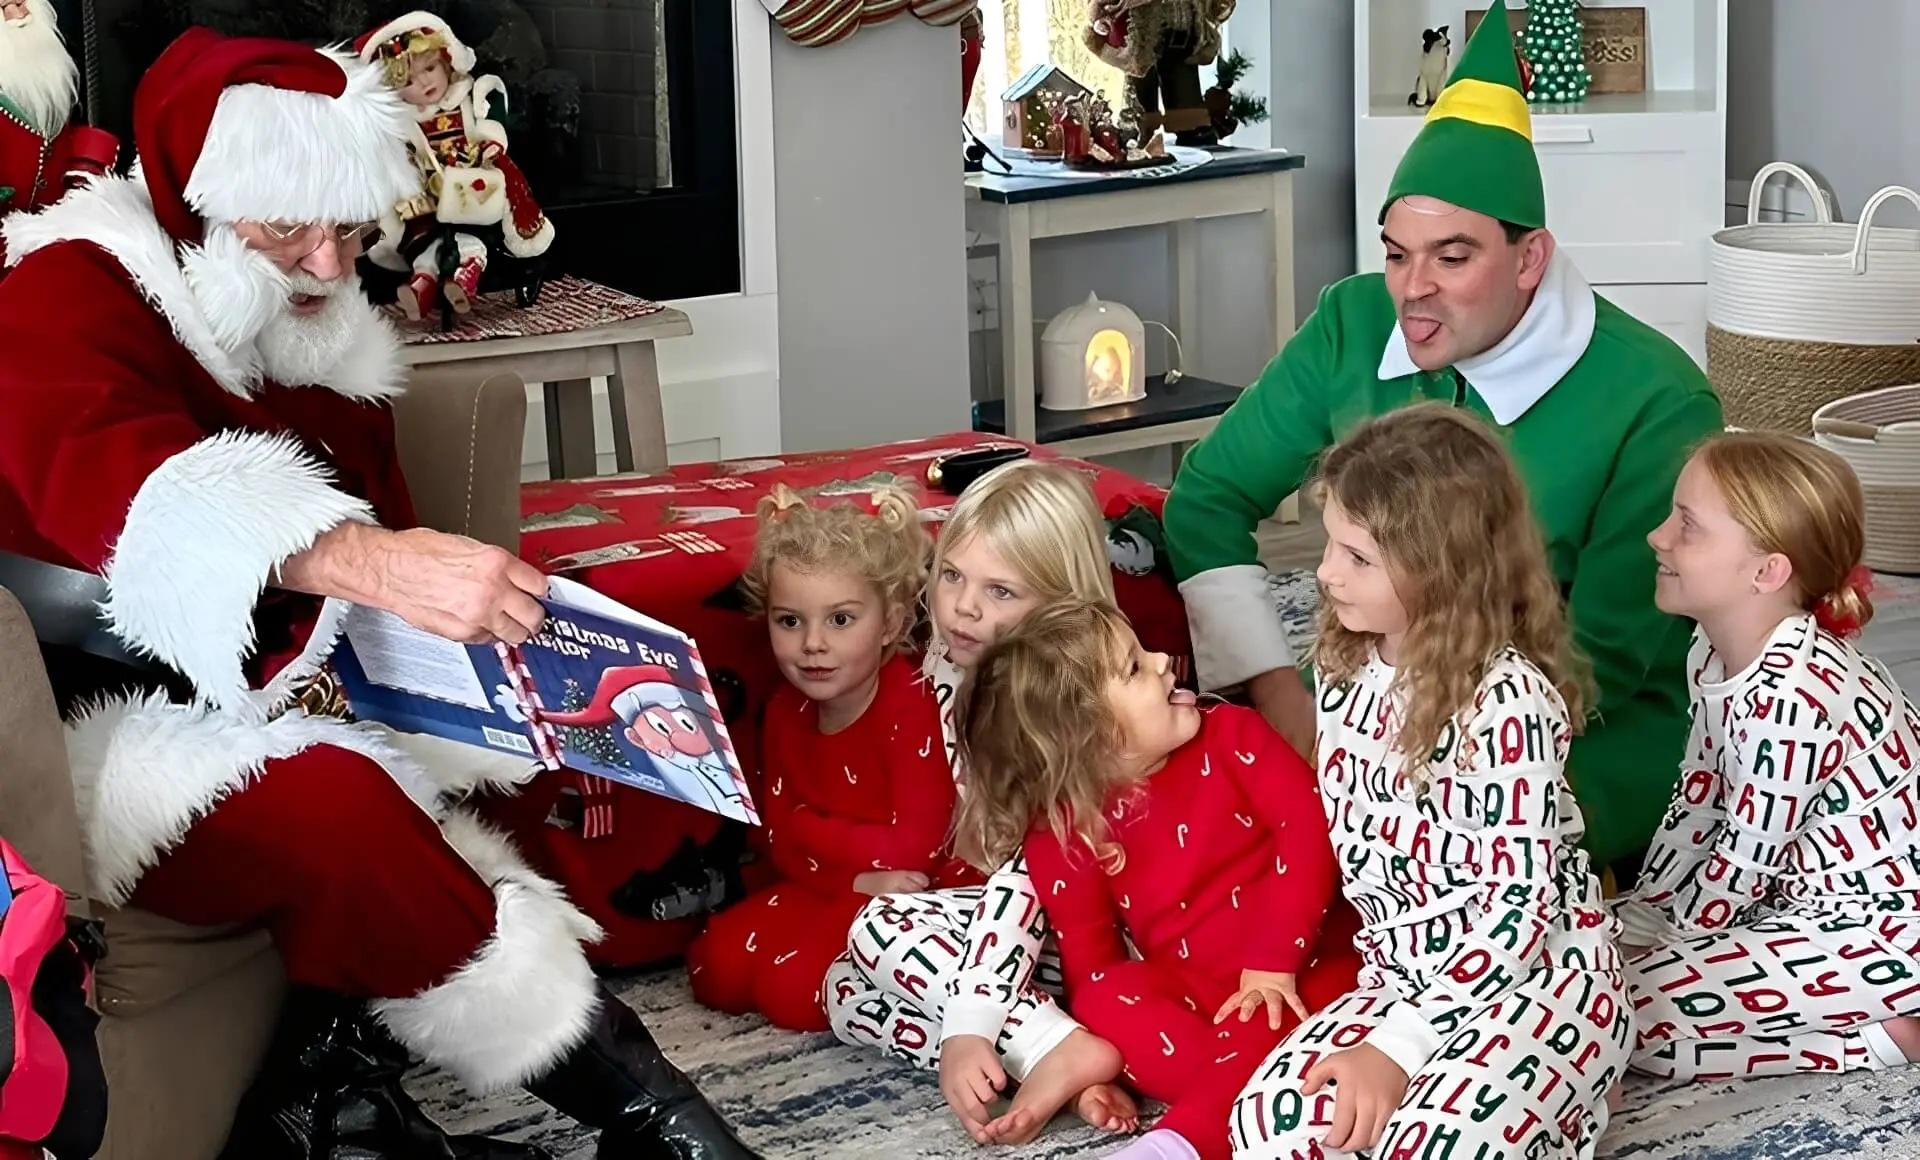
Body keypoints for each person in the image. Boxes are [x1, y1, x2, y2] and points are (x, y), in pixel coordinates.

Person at [0, 28, 757, 1160]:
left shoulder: (321, 333)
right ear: (190, 201)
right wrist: (376, 560)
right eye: (286, 228)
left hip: (299, 685)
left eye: (348, 230)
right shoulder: (63, 288)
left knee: (511, 737)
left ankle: (333, 1090)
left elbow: (387, 538)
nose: (322, 264)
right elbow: (117, 481)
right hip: (104, 727)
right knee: (336, 805)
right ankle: (656, 1121)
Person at [1160, 0, 1724, 872]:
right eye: (1395, 252)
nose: (1411, 288)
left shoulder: (1657, 398)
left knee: (1437, 877)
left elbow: (1601, 660)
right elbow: (1208, 498)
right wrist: (1279, 692)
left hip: (1556, 737)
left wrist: (1412, 768)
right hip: (1358, 702)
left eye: (1453, 258)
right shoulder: (1352, 324)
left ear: (1530, 258)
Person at [1229, 405, 1630, 1160]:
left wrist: (1399, 1050)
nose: (1322, 572)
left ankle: (1573, 1088)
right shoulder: (1346, 671)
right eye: (1330, 545)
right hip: (1402, 982)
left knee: (1433, 1147)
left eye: (1357, 557)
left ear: (1440, 568)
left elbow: (1520, 909)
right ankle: (1546, 1096)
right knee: (1266, 1124)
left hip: (1535, 980)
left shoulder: (1505, 702)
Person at [970, 600, 1362, 1160]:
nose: (1160, 660)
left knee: (1263, 1021)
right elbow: (1094, 964)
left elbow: (1311, 834)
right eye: (1133, 667)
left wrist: (1275, 962)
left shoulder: (1234, 733)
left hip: (1311, 964)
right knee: (1104, 1002)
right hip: (1198, 991)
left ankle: (1185, 1140)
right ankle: (1249, 1092)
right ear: (1091, 740)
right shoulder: (1062, 831)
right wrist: (1095, 1071)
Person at [824, 459, 1139, 1144]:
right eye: (952, 575)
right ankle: (1044, 1053)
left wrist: (971, 1014)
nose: (964, 607)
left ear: (1061, 605)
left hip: (1081, 922)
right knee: (843, 995)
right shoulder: (948, 662)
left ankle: (1052, 1047)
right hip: (1001, 916)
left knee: (881, 931)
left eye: (1001, 591)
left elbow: (1033, 879)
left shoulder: (1062, 705)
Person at [1616, 433, 1920, 1082]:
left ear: (1767, 572)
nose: (1657, 537)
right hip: (1794, 900)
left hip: (1881, 931)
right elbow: (1698, 799)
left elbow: (1747, 856)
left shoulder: (1800, 692)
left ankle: (1872, 1042)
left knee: (1608, 1014)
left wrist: (1669, 942)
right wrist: (1645, 909)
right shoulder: (1709, 649)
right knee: (1585, 974)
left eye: (1687, 527)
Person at [683, 484, 955, 1032]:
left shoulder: (911, 704)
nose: (812, 644)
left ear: (892, 624)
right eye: (789, 621)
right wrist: (848, 875)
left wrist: (815, 835)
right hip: (837, 883)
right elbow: (778, 837)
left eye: (840, 620)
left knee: (792, 992)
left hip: (915, 894)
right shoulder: (786, 710)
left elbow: (917, 851)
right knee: (714, 965)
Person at [354, 11, 554, 319]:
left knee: (472, 233)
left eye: (430, 68)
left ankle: (462, 278)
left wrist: (490, 144)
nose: (424, 82)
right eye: (408, 80)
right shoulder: (403, 122)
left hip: (474, 184)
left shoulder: (473, 95)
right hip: (429, 196)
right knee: (426, 240)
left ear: (448, 61)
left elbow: (491, 122)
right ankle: (423, 284)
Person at [0, 0, 117, 272]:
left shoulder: (52, 76)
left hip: (60, 243)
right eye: (4, 8)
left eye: (21, 3)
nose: (19, 15)